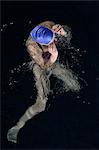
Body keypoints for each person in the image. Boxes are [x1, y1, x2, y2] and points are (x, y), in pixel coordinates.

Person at [7, 21, 80, 143]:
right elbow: (44, 66)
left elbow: (67, 36)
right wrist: (53, 58)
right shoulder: (32, 47)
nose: (53, 42)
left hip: (49, 58)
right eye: (51, 42)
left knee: (74, 85)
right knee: (41, 104)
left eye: (53, 38)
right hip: (39, 66)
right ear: (41, 43)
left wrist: (64, 32)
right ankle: (17, 127)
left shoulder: (48, 25)